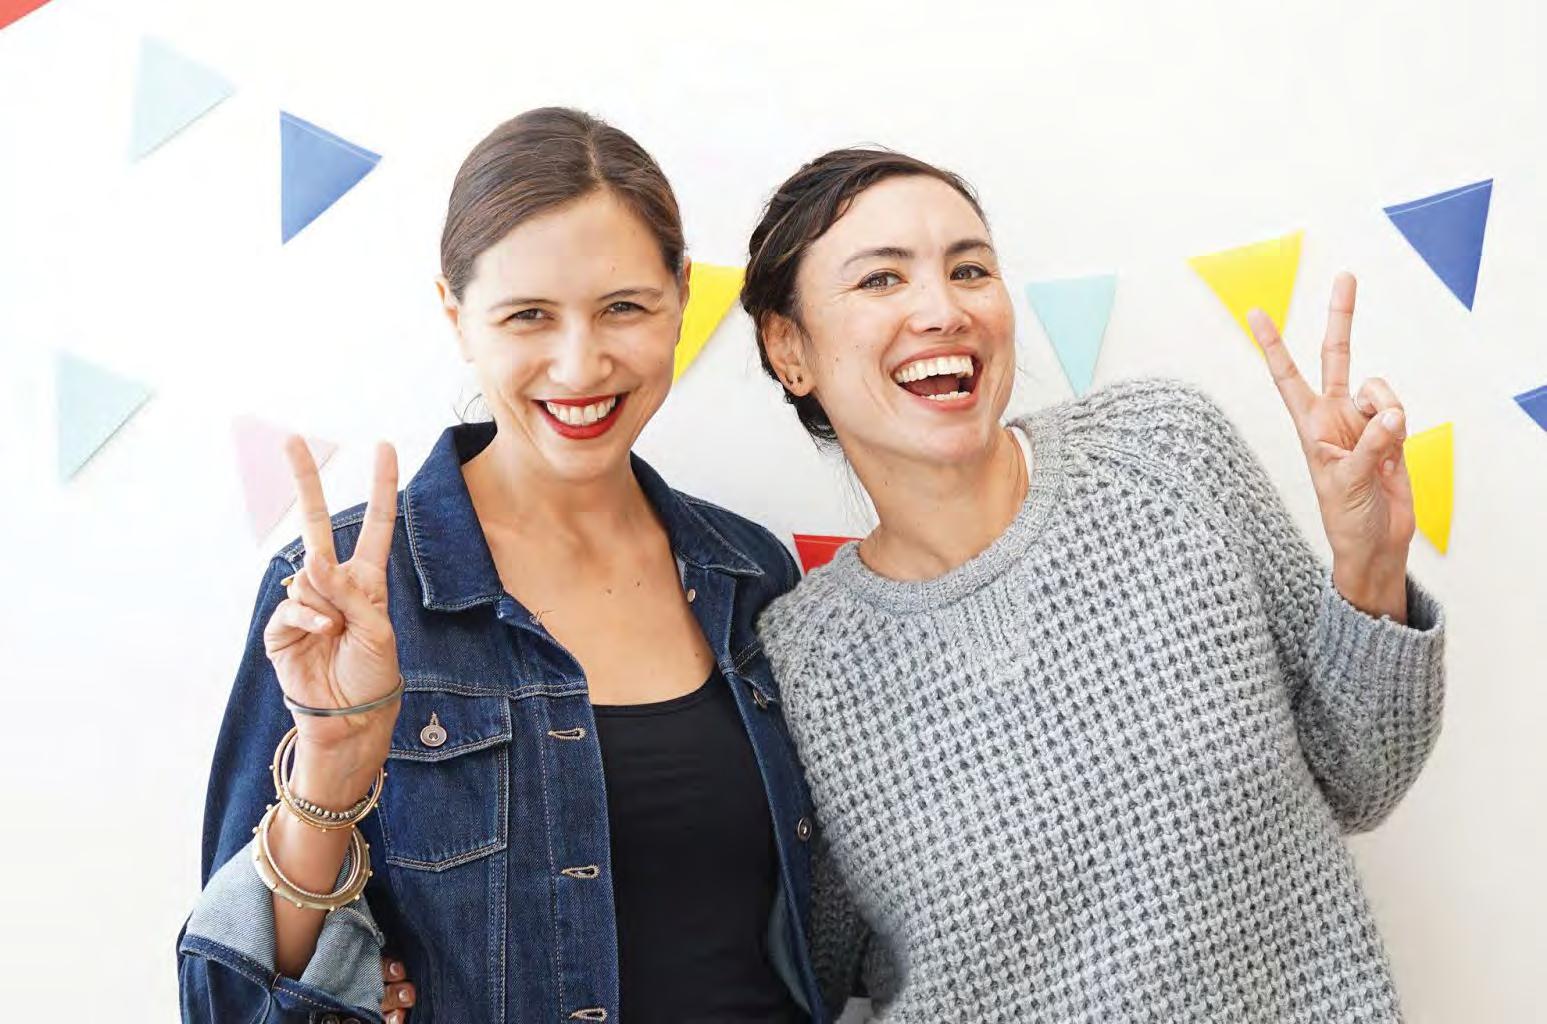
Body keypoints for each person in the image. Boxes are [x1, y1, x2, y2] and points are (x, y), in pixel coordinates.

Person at [742, 148, 1447, 1022]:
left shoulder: (1162, 452)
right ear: (789, 349)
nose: (942, 309)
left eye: (969, 269)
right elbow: (801, 970)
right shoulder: (798, 666)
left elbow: (1356, 777)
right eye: (880, 279)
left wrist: (1369, 564)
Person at [177, 107, 826, 1024]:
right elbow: (227, 1005)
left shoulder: (748, 573)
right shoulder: (345, 596)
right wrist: (329, 769)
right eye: (528, 316)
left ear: (682, 295)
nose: (580, 365)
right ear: (457, 316)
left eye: (623, 307)